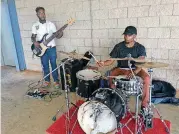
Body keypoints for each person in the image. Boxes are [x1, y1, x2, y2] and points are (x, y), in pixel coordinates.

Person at [98, 26, 150, 111]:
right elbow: (111, 61)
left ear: (134, 36)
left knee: (147, 78)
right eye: (125, 35)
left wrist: (135, 72)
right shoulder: (118, 46)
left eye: (129, 35)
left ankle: (144, 106)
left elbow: (141, 63)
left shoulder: (140, 48)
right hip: (121, 68)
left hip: (135, 69)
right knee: (111, 75)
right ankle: (115, 101)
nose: (126, 37)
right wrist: (103, 63)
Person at [31, 7, 61, 89]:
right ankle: (47, 80)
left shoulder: (51, 24)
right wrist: (34, 42)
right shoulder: (35, 25)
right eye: (40, 13)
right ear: (37, 14)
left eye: (43, 12)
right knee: (45, 65)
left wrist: (60, 34)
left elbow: (57, 35)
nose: (42, 14)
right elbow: (33, 36)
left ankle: (56, 80)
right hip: (41, 49)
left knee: (54, 64)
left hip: (51, 48)